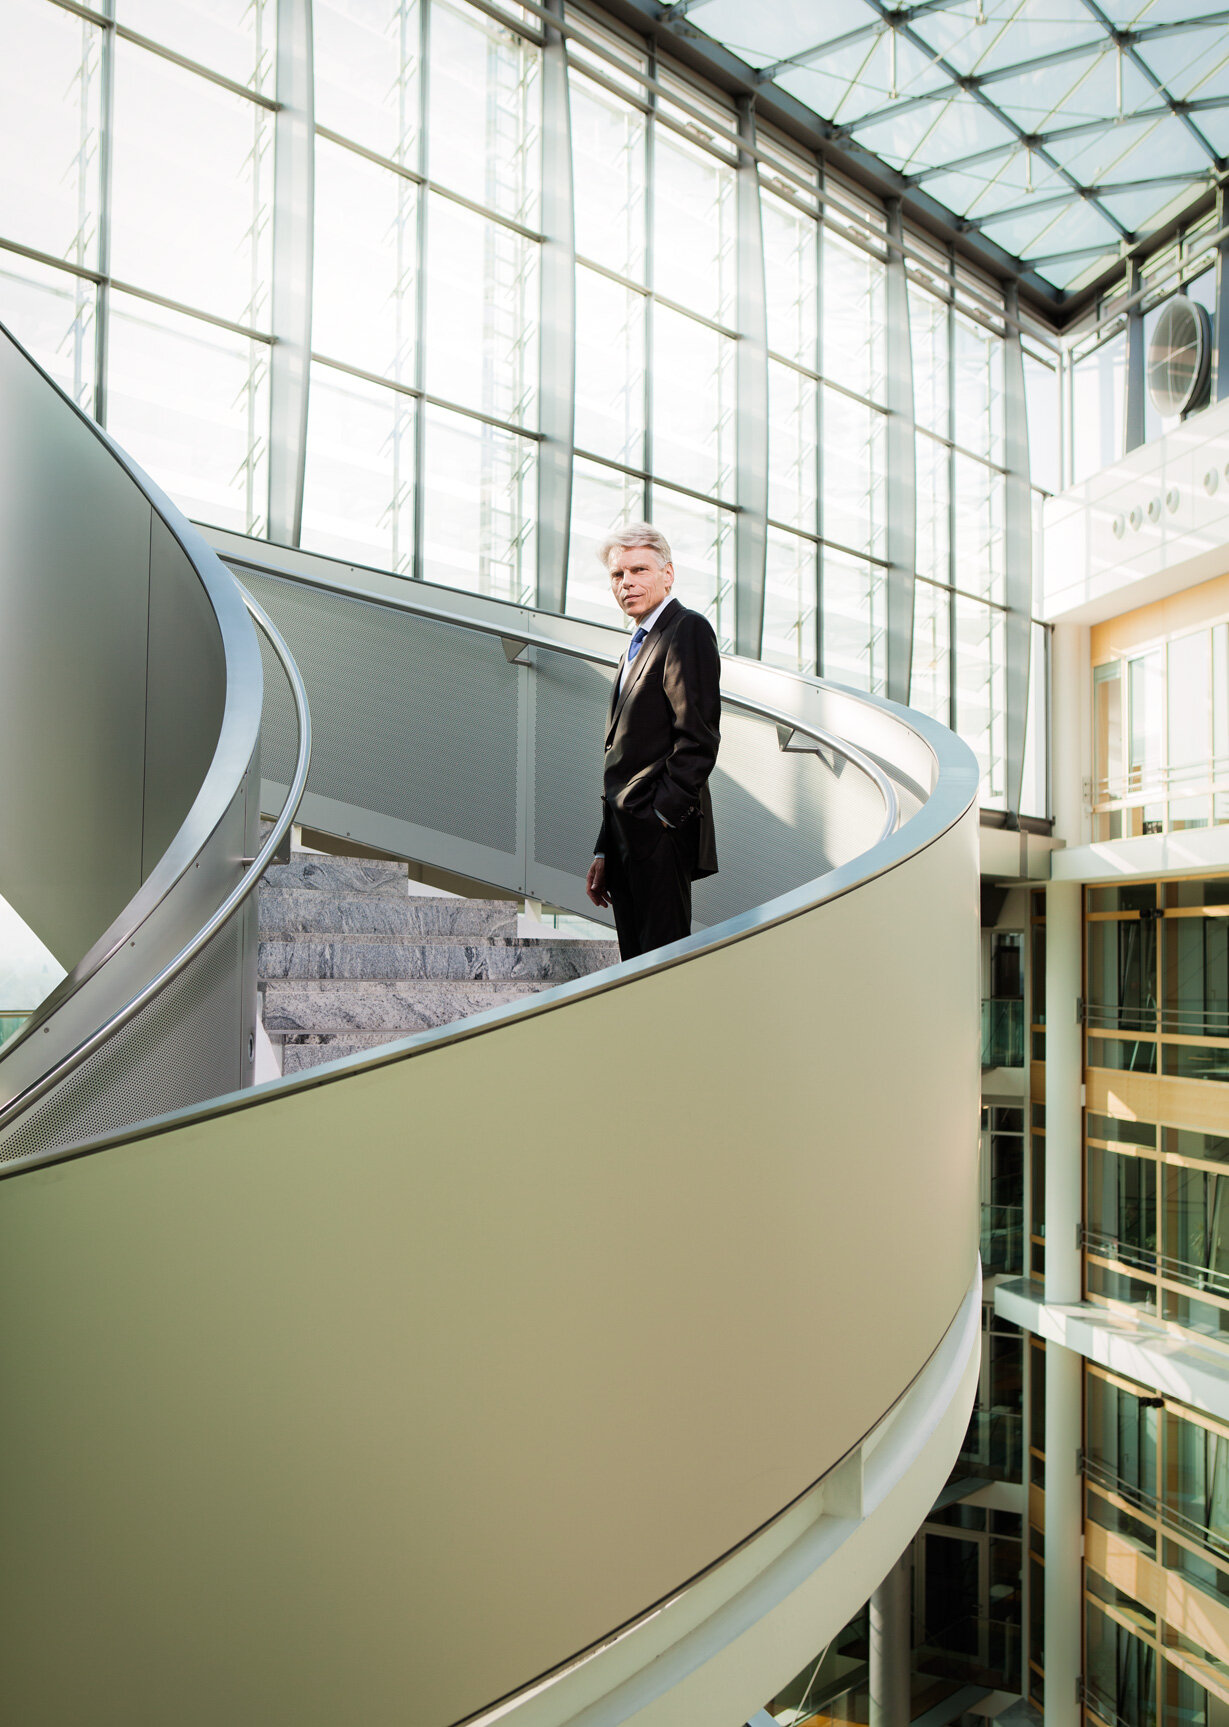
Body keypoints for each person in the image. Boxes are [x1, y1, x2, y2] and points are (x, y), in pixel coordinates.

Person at [584, 524, 720, 960]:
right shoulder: (634, 645)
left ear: (668, 574)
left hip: (658, 832)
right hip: (627, 836)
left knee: (663, 966)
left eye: (639, 570)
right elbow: (623, 758)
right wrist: (606, 847)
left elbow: (698, 738)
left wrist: (660, 817)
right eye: (617, 575)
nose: (627, 583)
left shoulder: (687, 630)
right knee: (636, 966)